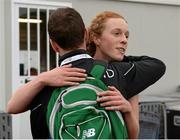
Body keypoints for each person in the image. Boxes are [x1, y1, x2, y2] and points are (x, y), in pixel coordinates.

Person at [7, 8, 166, 139]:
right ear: (87, 35)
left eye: (126, 35)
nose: (124, 40)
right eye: (116, 33)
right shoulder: (121, 74)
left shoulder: (46, 85)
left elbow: (12, 107)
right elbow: (132, 136)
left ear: (53, 45)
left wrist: (41, 79)